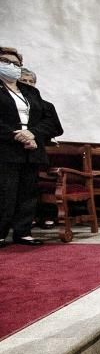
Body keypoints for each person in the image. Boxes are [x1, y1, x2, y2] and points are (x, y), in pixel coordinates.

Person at [1, 46, 63, 248]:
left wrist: (33, 133)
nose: (12, 67)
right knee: (5, 192)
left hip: (32, 147)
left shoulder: (30, 92)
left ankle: (23, 232)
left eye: (16, 64)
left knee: (28, 193)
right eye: (5, 62)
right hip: (6, 148)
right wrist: (17, 135)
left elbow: (52, 122)